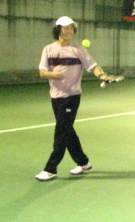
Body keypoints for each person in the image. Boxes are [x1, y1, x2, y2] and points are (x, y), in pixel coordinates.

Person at [35, 16, 114, 181]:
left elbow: (94, 66)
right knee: (68, 130)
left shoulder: (79, 50)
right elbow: (42, 72)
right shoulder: (48, 49)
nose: (69, 31)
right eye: (65, 28)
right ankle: (83, 162)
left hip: (72, 97)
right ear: (58, 30)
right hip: (55, 96)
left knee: (61, 132)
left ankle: (51, 168)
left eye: (71, 28)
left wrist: (102, 76)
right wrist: (54, 75)